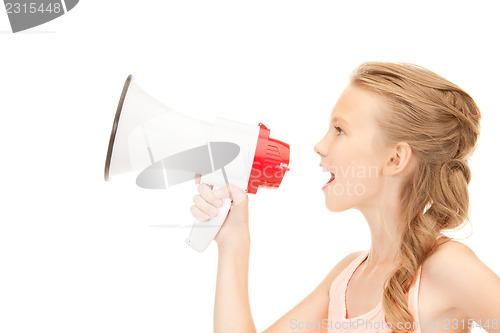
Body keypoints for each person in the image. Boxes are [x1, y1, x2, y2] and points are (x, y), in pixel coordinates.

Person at [190, 62, 500, 333]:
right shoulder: (345, 278)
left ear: (395, 159)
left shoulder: (449, 267)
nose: (320, 146)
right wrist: (234, 242)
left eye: (339, 130)